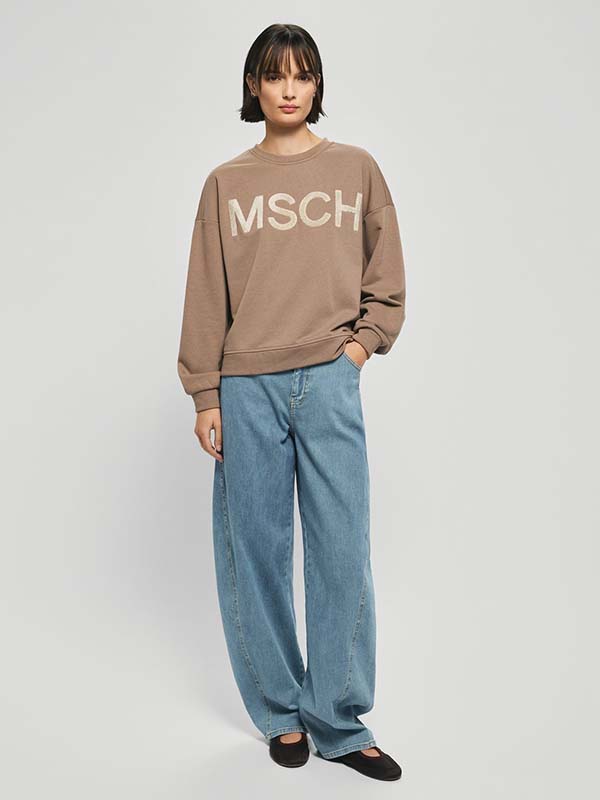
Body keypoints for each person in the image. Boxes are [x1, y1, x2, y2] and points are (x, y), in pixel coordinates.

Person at [177, 23, 406, 782]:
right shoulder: (226, 184)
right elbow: (207, 291)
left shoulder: (355, 169)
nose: (288, 89)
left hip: (329, 379)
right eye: (274, 76)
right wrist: (206, 392)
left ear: (317, 85)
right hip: (246, 388)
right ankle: (280, 713)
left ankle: (338, 719)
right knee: (258, 552)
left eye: (302, 75)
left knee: (341, 550)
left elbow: (386, 277)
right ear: (253, 86)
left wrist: (358, 350)